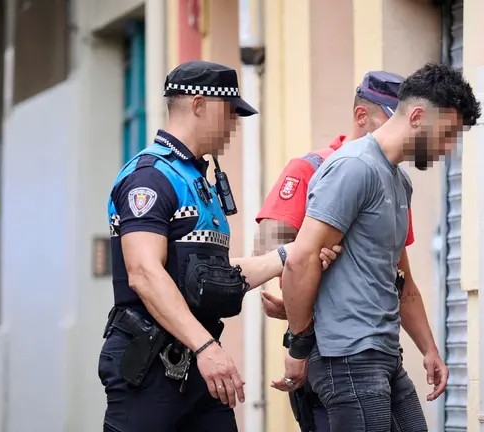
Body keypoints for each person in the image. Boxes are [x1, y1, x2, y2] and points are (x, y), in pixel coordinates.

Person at [99, 60, 341, 432]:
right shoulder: (150, 177)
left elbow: (213, 277)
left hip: (197, 367)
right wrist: (205, 348)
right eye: (230, 114)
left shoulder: (197, 180)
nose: (235, 125)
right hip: (150, 369)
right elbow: (144, 273)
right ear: (199, 105)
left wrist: (290, 255)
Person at [273, 63, 481, 431]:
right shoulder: (354, 167)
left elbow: (401, 280)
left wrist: (429, 349)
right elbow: (300, 258)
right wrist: (298, 347)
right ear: (417, 116)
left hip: (383, 353)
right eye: (446, 134)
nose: (448, 148)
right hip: (347, 356)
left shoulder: (400, 183)